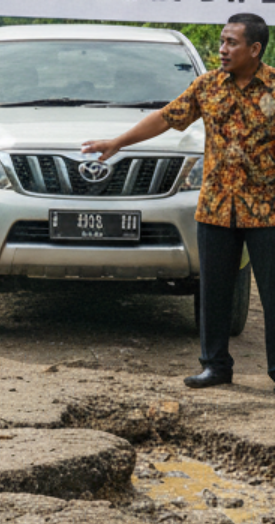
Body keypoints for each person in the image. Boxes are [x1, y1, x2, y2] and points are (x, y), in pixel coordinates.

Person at [84, 13, 275, 391]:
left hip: (267, 210)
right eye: (221, 41)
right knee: (214, 291)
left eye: (231, 43)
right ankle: (215, 366)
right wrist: (117, 142)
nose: (222, 49)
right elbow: (166, 119)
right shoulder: (207, 86)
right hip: (216, 209)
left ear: (254, 49)